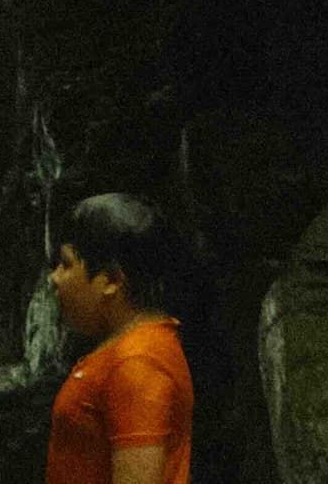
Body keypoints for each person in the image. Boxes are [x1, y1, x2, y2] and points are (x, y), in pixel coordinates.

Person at [45, 192, 195, 484]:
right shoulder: (130, 349)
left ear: (112, 280)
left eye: (66, 264)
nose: (54, 278)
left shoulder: (138, 364)